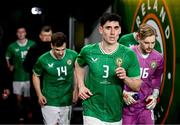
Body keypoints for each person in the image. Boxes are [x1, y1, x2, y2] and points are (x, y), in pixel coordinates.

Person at [75, 12, 142, 125]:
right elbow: (78, 64)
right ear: (101, 29)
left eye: (116, 28)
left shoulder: (129, 54)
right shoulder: (88, 50)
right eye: (108, 28)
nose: (112, 33)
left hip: (115, 112)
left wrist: (125, 78)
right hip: (92, 108)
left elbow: (137, 86)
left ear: (120, 30)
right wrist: (81, 86)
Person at [122, 24, 164, 125]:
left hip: (145, 106)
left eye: (153, 42)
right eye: (146, 43)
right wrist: (123, 93)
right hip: (127, 107)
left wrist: (154, 96)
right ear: (139, 38)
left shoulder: (158, 57)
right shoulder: (128, 53)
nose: (150, 46)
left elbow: (156, 78)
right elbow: (117, 77)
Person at [32, 32, 78, 125]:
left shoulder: (73, 55)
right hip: (50, 100)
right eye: (57, 50)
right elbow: (35, 75)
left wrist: (76, 90)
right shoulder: (43, 59)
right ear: (52, 45)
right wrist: (39, 94)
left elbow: (77, 71)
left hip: (66, 99)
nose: (61, 53)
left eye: (63, 49)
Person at [5, 26, 36, 123]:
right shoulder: (12, 46)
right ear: (16, 34)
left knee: (29, 98)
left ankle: (29, 114)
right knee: (19, 100)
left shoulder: (32, 44)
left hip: (29, 77)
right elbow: (7, 56)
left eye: (22, 32)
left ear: (25, 33)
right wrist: (9, 65)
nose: (21, 34)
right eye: (19, 32)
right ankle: (21, 116)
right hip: (17, 77)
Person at [23, 25, 53, 123]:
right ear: (40, 36)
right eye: (45, 35)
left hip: (53, 86)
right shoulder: (33, 49)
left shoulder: (56, 49)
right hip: (37, 84)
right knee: (37, 112)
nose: (47, 38)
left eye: (49, 35)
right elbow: (26, 66)